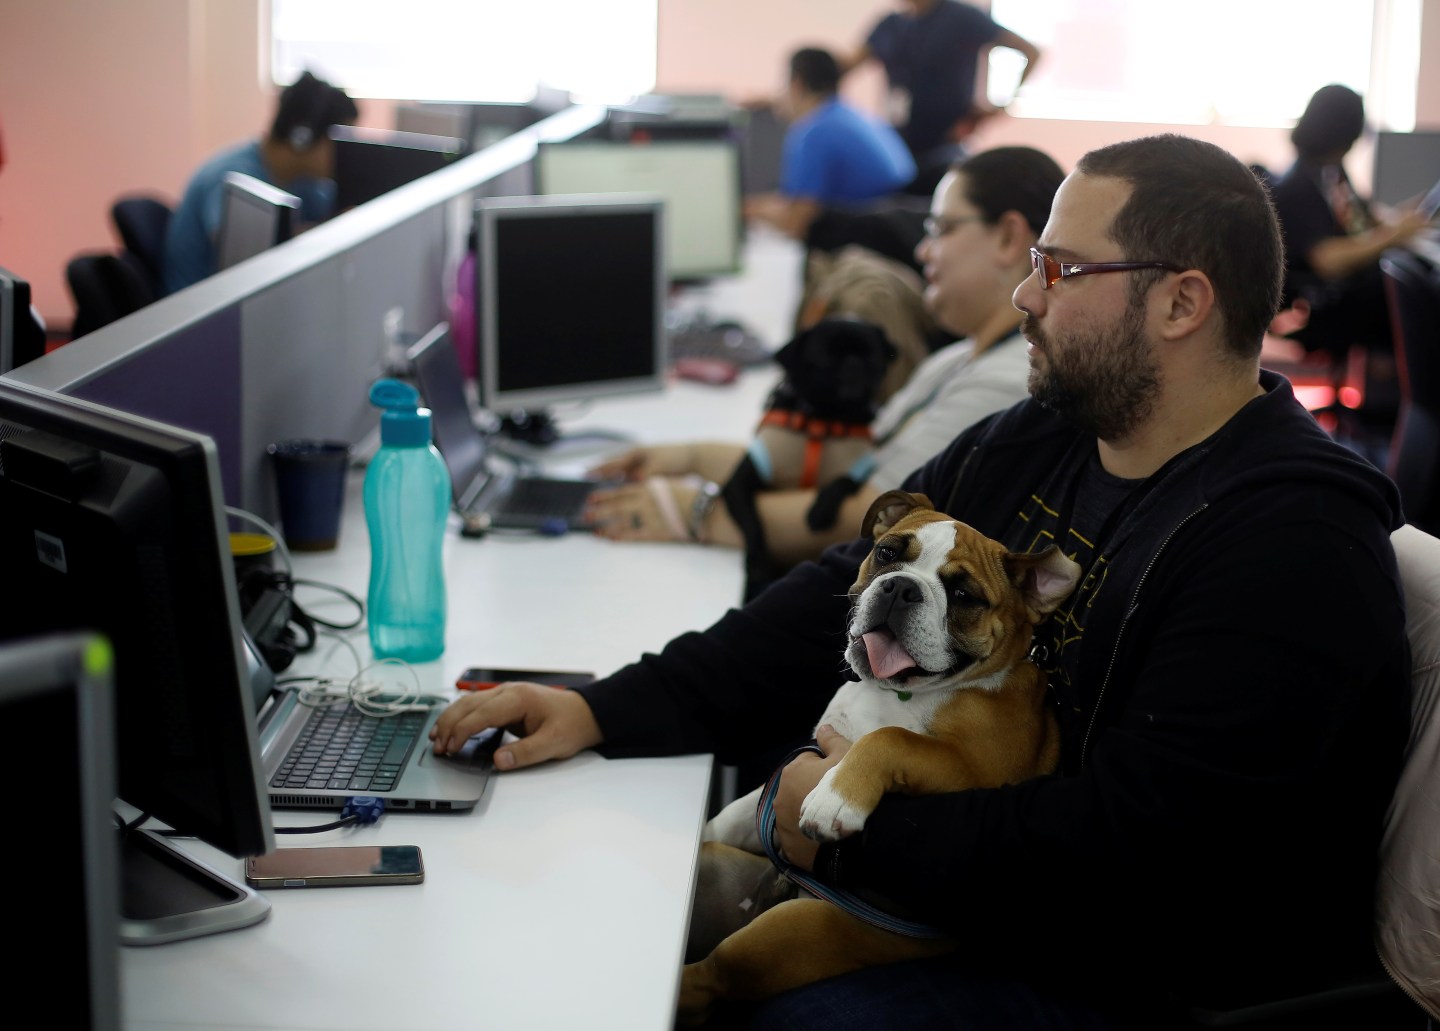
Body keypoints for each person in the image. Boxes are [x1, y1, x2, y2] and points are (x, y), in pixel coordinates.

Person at [431, 134, 1409, 1028]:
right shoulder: (1049, 435)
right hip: (964, 887)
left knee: (713, 1007)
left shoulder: (1291, 541)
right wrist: (604, 707)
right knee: (589, 902)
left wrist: (837, 836)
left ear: (1181, 302)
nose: (1026, 296)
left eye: (1059, 269)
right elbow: (835, 592)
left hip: (1129, 976)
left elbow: (1129, 855)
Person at [585, 145, 1063, 577]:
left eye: (940, 229)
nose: (922, 250)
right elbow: (840, 469)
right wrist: (689, 459)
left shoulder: (1007, 382)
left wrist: (690, 512)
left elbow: (870, 517)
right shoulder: (958, 358)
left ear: (1007, 237)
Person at [1270, 84, 1430, 363]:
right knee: (1412, 292)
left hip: (1340, 297)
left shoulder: (1331, 174)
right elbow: (1327, 259)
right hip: (1322, 304)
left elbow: (1363, 220)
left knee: (1409, 282)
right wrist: (1393, 235)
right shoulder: (1298, 186)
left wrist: (1407, 218)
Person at [162, 71, 358, 294]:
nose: (348, 154)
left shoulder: (303, 180)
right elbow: (243, 256)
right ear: (302, 138)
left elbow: (331, 217)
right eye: (341, 142)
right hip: (203, 312)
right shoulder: (231, 179)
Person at [843, 0, 1041, 196]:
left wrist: (1002, 105)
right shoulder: (890, 25)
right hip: (898, 142)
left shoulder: (962, 17)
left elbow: (1030, 51)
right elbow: (844, 66)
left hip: (946, 143)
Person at [743, 47, 916, 240]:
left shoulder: (814, 131)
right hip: (896, 231)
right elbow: (794, 203)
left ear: (796, 84)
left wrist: (742, 211)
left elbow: (795, 223)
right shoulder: (850, 115)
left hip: (870, 242)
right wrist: (751, 207)